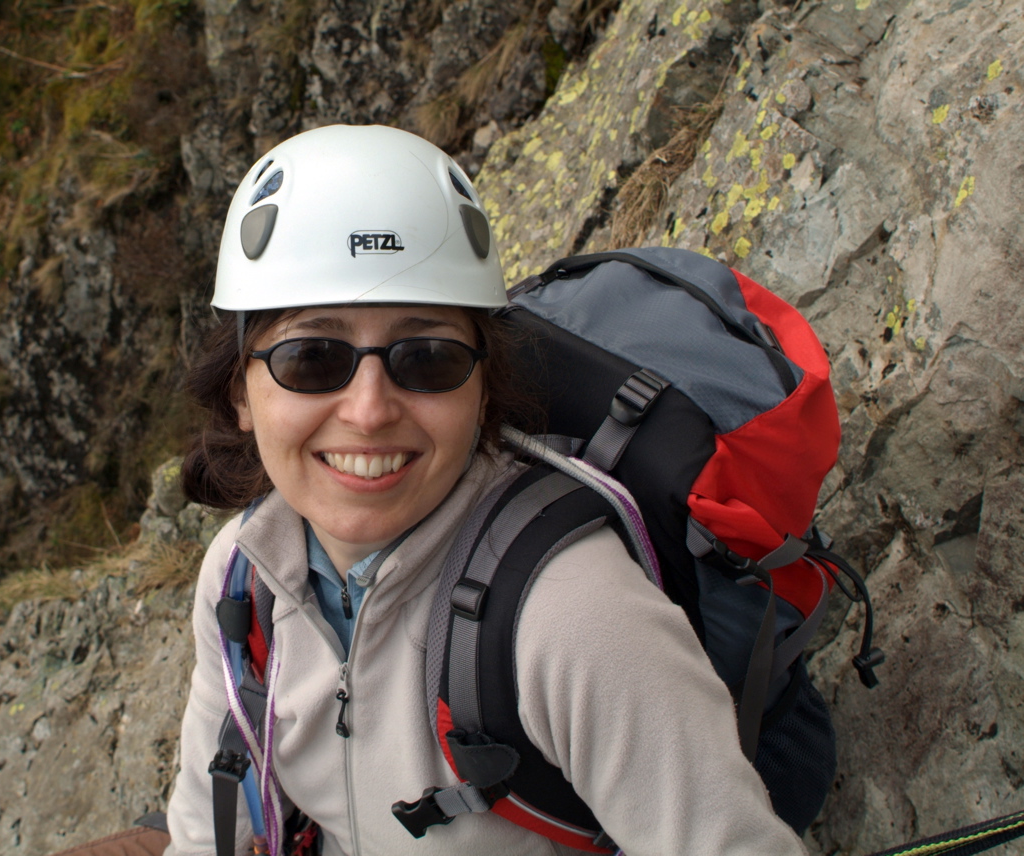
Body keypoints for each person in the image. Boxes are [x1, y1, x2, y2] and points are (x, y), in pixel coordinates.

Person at [155, 124, 811, 856]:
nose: (369, 411)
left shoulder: (572, 616)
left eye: (427, 358)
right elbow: (204, 830)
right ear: (241, 394)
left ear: (481, 387)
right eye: (312, 358)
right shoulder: (243, 574)